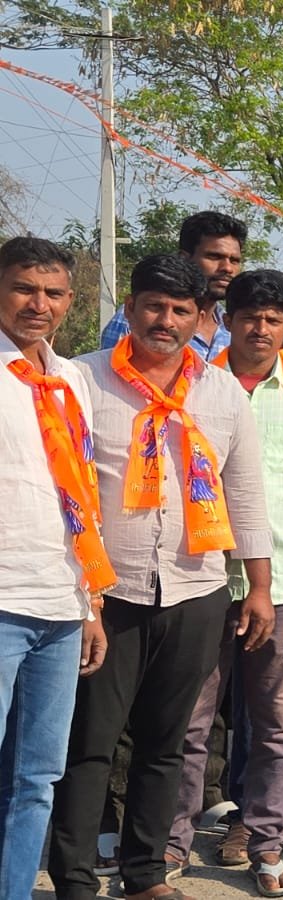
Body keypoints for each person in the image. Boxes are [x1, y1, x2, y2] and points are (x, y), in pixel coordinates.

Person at [50, 253, 273, 900]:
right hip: (106, 593)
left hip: (195, 589)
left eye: (181, 310)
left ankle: (146, 874)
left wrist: (256, 587)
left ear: (202, 317)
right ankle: (73, 878)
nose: (166, 320)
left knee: (165, 742)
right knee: (90, 743)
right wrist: (81, 593)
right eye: (154, 306)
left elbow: (246, 493)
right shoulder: (83, 381)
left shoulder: (221, 390)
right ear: (129, 306)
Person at [168, 270, 283, 895]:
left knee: (277, 724)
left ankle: (266, 848)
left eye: (275, 319)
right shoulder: (193, 386)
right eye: (251, 316)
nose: (262, 329)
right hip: (200, 579)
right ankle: (171, 846)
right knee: (189, 722)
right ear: (228, 319)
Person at [0, 237, 110, 900]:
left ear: (70, 301)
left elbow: (83, 497)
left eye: (53, 293)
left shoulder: (71, 381)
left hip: (62, 608)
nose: (37, 305)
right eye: (23, 288)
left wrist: (91, 605)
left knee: (36, 777)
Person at [99, 211, 245, 361]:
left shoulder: (234, 327)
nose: (227, 268)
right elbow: (110, 376)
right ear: (184, 258)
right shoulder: (136, 317)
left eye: (234, 260)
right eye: (214, 257)